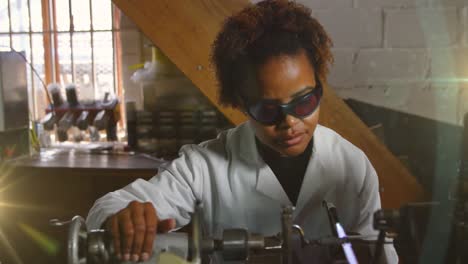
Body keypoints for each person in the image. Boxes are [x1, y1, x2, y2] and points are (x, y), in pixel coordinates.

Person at [87, 0, 398, 263]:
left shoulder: (353, 165)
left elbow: (378, 250)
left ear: (319, 86)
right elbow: (106, 207)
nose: (289, 122)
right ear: (240, 102)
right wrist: (124, 219)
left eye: (304, 102)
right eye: (267, 110)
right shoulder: (203, 168)